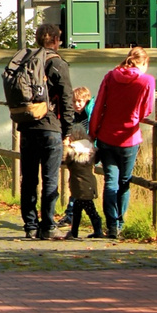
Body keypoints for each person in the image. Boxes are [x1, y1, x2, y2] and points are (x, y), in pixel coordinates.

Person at [88, 45, 157, 238]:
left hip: (106, 136)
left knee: (111, 181)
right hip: (129, 138)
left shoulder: (110, 76)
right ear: (143, 62)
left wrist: (93, 133)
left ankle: (110, 224)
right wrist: (134, 116)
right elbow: (147, 110)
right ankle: (120, 223)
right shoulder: (147, 81)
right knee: (124, 181)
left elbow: (99, 104)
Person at [15, 22, 74, 239]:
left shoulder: (25, 59)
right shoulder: (57, 63)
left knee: (28, 178)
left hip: (28, 126)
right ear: (56, 40)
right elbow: (67, 98)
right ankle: (48, 226)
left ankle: (30, 226)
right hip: (50, 127)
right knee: (50, 178)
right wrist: (67, 130)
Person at [55, 86, 96, 233]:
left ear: (86, 101)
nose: (77, 104)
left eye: (80, 101)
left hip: (85, 154)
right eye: (74, 101)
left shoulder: (88, 115)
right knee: (76, 186)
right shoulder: (73, 116)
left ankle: (76, 216)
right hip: (76, 153)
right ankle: (72, 216)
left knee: (80, 186)